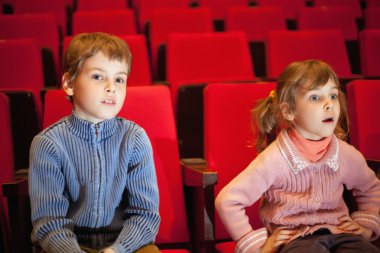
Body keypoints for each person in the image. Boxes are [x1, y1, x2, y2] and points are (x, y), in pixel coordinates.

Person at [215, 60, 380, 253]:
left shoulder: (346, 153)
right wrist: (257, 247)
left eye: (333, 95)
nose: (329, 104)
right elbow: (228, 200)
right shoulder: (274, 159)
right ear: (289, 111)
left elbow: (371, 187)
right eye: (315, 98)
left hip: (341, 233)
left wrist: (366, 225)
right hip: (296, 240)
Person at [28, 32, 160, 253]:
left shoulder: (135, 138)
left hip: (123, 244)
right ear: (69, 83)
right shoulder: (48, 144)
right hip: (68, 244)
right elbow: (49, 222)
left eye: (119, 79)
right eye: (98, 77)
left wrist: (117, 250)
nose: (111, 87)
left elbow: (145, 214)